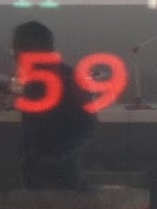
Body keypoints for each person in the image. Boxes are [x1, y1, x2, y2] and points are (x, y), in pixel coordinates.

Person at [11, 20, 96, 190]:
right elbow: (88, 123)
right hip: (50, 164)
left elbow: (86, 123)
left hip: (55, 167)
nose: (15, 55)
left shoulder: (54, 80)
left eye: (20, 48)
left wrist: (55, 158)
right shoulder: (52, 77)